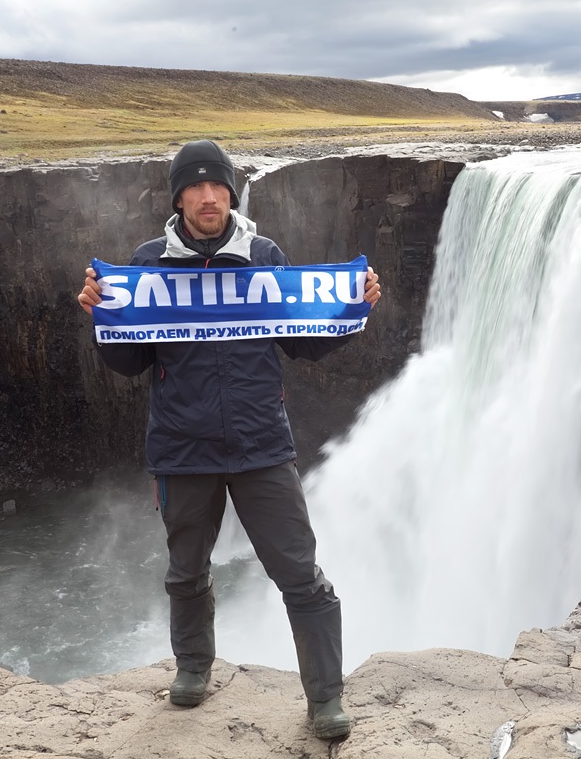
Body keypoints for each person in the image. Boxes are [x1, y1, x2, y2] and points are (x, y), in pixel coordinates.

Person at [76, 139, 380, 740]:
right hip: (182, 450)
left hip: (262, 446)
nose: (209, 197)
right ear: (179, 196)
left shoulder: (263, 255)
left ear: (231, 194)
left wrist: (352, 309)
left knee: (300, 575)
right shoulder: (146, 264)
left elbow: (300, 340)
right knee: (185, 572)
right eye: (196, 186)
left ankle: (325, 698)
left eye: (219, 186)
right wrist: (101, 320)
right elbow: (130, 366)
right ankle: (193, 668)